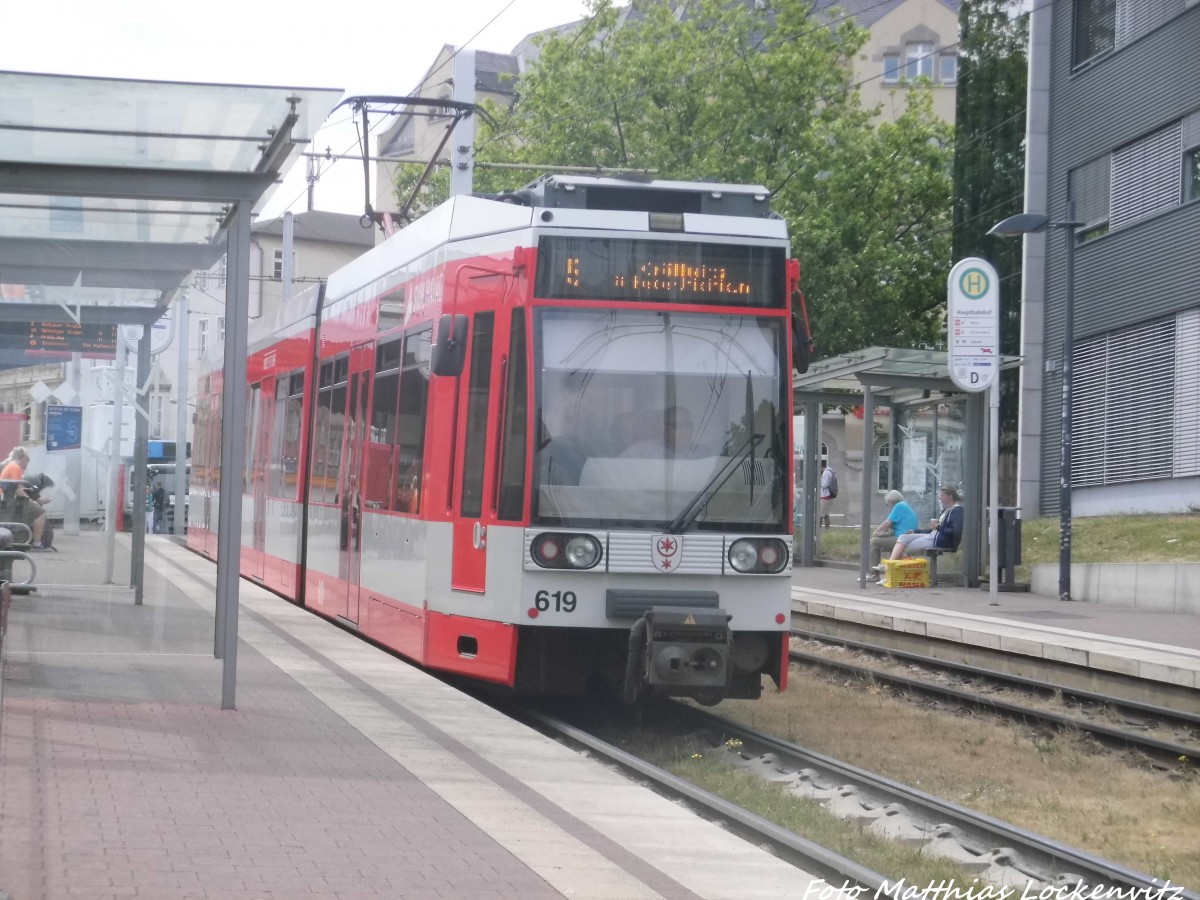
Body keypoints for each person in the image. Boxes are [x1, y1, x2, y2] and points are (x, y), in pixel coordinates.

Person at [876, 485, 964, 567]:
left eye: (942, 495)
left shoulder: (957, 510)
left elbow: (956, 531)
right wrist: (916, 531)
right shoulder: (945, 510)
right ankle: (890, 566)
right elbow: (933, 530)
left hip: (942, 540)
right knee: (903, 537)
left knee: (905, 547)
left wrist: (938, 527)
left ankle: (892, 570)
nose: (940, 498)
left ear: (950, 496)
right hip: (934, 536)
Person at [0, 446, 48, 549]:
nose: (27, 463)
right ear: (24, 459)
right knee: (40, 512)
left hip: (5, 499)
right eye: (28, 460)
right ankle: (37, 543)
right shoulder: (15, 468)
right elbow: (19, 491)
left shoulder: (11, 465)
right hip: (8, 501)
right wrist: (31, 500)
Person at [867, 489, 918, 581]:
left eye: (887, 505)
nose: (888, 507)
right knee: (884, 543)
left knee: (874, 542)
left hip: (902, 538)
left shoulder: (899, 506)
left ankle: (873, 574)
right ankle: (890, 575)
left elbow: (887, 523)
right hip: (907, 537)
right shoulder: (905, 506)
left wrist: (875, 533)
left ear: (890, 502)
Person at [820, 464, 836, 528]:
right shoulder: (830, 472)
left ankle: (818, 529)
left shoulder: (826, 473)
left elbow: (825, 484)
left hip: (826, 496)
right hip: (829, 496)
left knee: (820, 514)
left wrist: (820, 484)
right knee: (825, 514)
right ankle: (826, 529)